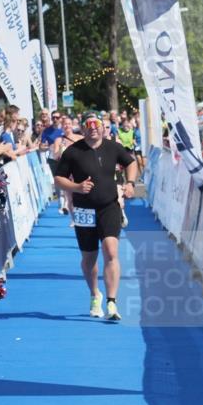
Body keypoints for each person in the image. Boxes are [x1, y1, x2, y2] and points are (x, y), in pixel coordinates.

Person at [53, 112, 138, 321]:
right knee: (89, 257)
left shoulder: (113, 147)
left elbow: (131, 163)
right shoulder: (73, 152)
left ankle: (111, 301)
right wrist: (77, 187)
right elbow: (58, 179)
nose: (93, 128)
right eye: (88, 125)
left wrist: (130, 183)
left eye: (97, 124)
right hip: (83, 210)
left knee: (111, 250)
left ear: (103, 127)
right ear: (82, 128)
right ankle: (94, 294)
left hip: (109, 206)